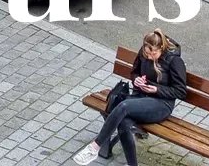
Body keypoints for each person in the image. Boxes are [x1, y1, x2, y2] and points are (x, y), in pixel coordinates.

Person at [75, 31, 187, 165]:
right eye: (147, 53)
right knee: (123, 123)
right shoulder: (143, 52)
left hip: (161, 104)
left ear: (161, 48)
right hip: (140, 96)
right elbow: (134, 73)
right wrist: (137, 80)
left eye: (153, 54)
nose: (149, 57)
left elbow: (180, 91)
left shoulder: (174, 61)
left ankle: (95, 147)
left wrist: (157, 89)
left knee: (124, 106)